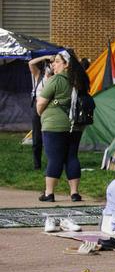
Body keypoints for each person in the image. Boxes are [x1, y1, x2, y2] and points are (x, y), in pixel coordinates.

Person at [35, 49, 90, 202]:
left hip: (54, 125)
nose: (53, 65)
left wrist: (42, 114)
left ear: (66, 65)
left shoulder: (56, 80)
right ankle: (74, 193)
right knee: (72, 157)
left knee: (54, 158)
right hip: (76, 125)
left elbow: (40, 103)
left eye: (58, 61)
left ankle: (49, 193)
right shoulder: (81, 80)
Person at [27, 55, 52, 170]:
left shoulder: (56, 78)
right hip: (36, 108)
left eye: (51, 65)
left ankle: (53, 163)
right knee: (37, 138)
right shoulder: (38, 76)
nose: (50, 67)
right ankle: (37, 165)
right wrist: (46, 56)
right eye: (48, 65)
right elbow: (31, 63)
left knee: (50, 137)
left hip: (50, 109)